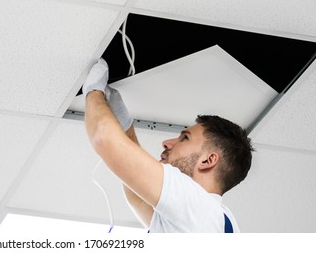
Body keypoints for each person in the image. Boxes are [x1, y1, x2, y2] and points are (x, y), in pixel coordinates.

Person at [82, 58, 254, 233]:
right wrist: (123, 122)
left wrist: (93, 91)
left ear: (208, 160)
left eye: (184, 138)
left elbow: (103, 138)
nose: (166, 143)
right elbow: (140, 198)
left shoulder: (199, 209)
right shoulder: (215, 220)